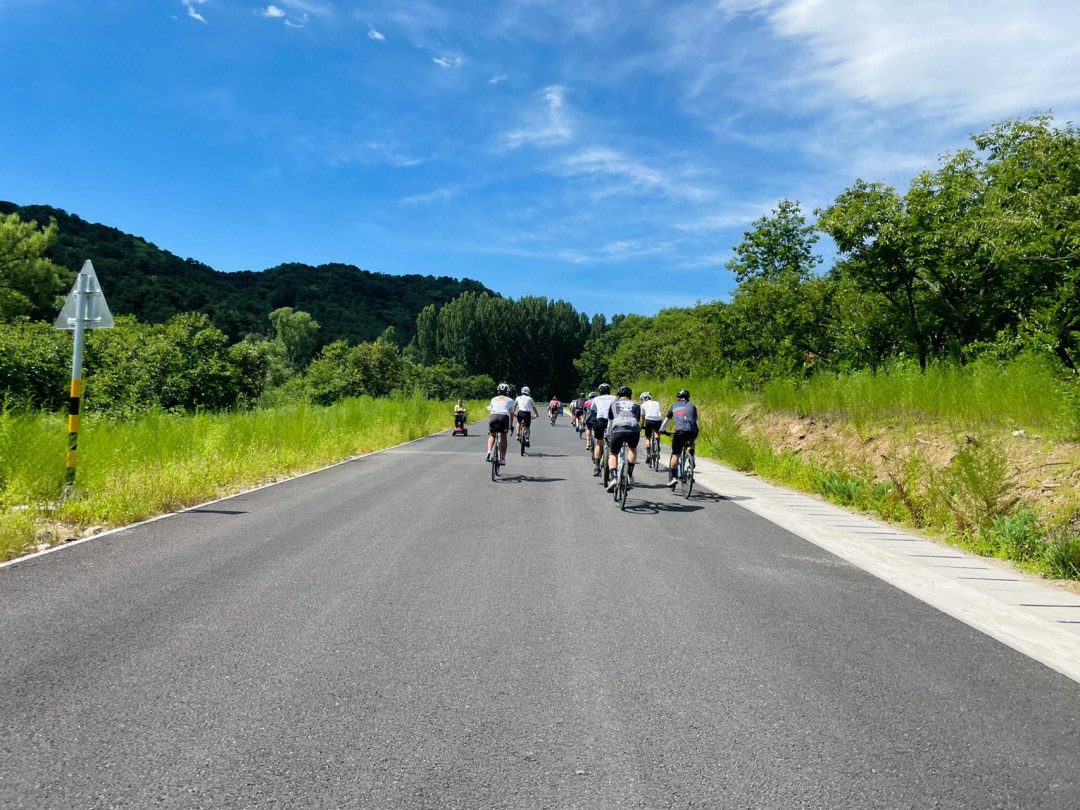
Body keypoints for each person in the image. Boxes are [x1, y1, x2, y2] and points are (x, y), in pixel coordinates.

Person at [660, 388, 699, 488]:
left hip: (680, 431)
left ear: (678, 398)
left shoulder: (674, 406)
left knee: (676, 454)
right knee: (691, 442)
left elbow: (667, 420)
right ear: (688, 398)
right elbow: (696, 422)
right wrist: (695, 432)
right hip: (693, 431)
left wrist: (662, 430)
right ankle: (692, 457)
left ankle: (673, 478)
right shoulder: (692, 406)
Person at [604, 386, 641, 491]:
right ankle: (629, 474)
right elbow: (637, 420)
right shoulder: (636, 405)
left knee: (613, 454)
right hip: (633, 430)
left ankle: (614, 477)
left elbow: (610, 422)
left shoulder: (613, 405)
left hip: (618, 430)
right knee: (632, 448)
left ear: (618, 396)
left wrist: (608, 434)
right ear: (630, 396)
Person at [586, 383, 617, 476]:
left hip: (600, 420)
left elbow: (592, 412)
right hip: (611, 420)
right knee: (613, 442)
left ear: (600, 391)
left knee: (598, 443)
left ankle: (597, 467)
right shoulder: (614, 397)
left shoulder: (595, 399)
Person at [486, 383, 515, 464]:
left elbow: (491, 411)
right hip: (504, 417)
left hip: (493, 416)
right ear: (507, 392)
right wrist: (511, 425)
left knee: (492, 435)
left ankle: (489, 451)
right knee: (504, 437)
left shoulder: (493, 399)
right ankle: (502, 458)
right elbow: (511, 414)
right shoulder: (510, 400)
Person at [640, 392, 663, 460]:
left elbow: (643, 417)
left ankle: (648, 453)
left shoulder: (643, 405)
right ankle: (657, 445)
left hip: (649, 419)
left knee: (648, 437)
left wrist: (642, 425)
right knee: (657, 432)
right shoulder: (657, 403)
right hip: (658, 419)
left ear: (644, 398)